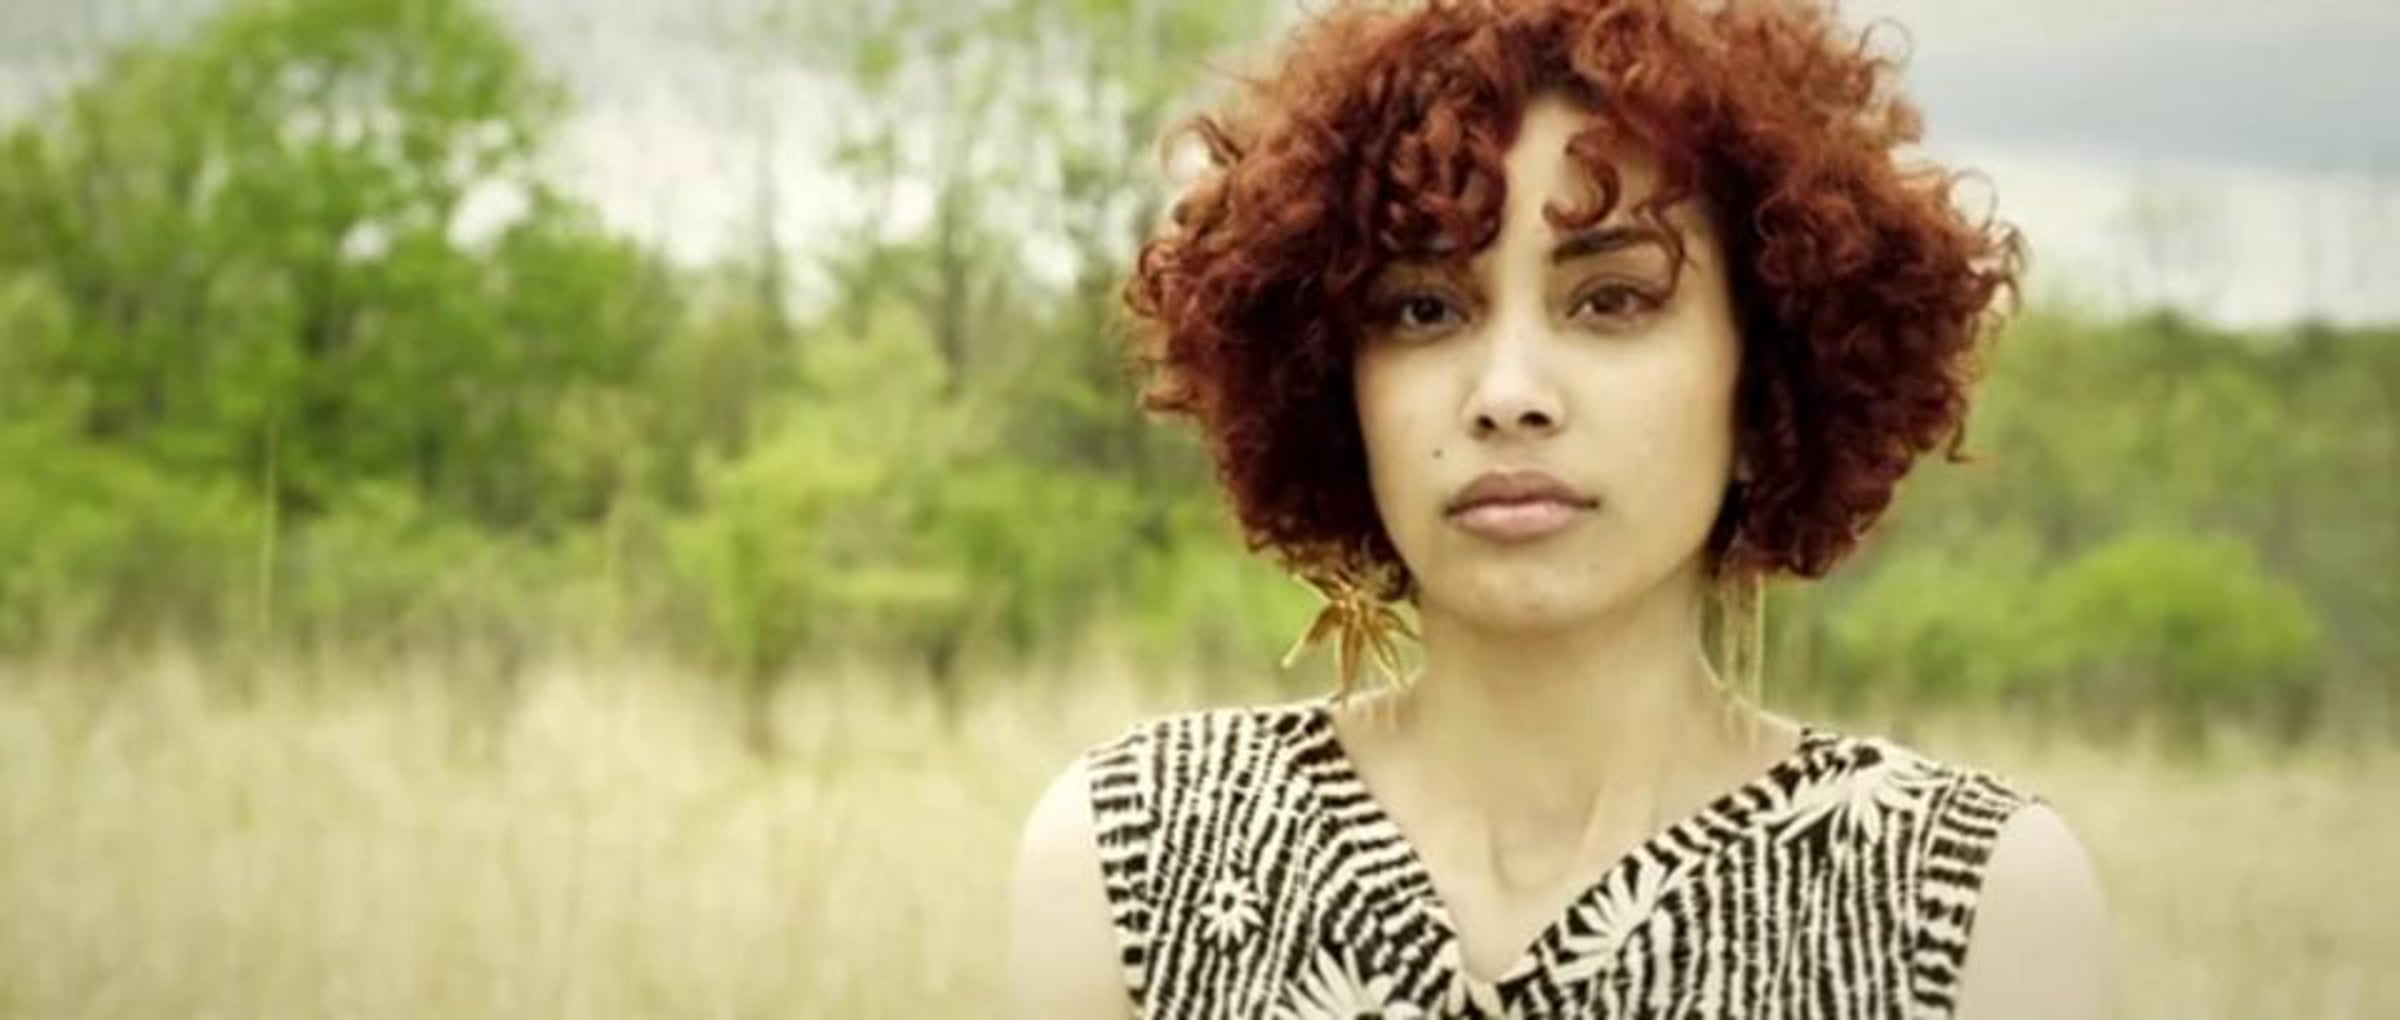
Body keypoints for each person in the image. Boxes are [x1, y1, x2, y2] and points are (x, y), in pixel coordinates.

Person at [1006, 1, 2110, 1016]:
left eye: (1613, 298)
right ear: (1338, 385)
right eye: (1425, 308)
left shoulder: (1965, 904)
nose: (1508, 394)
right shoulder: (1138, 857)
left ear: (1765, 369)